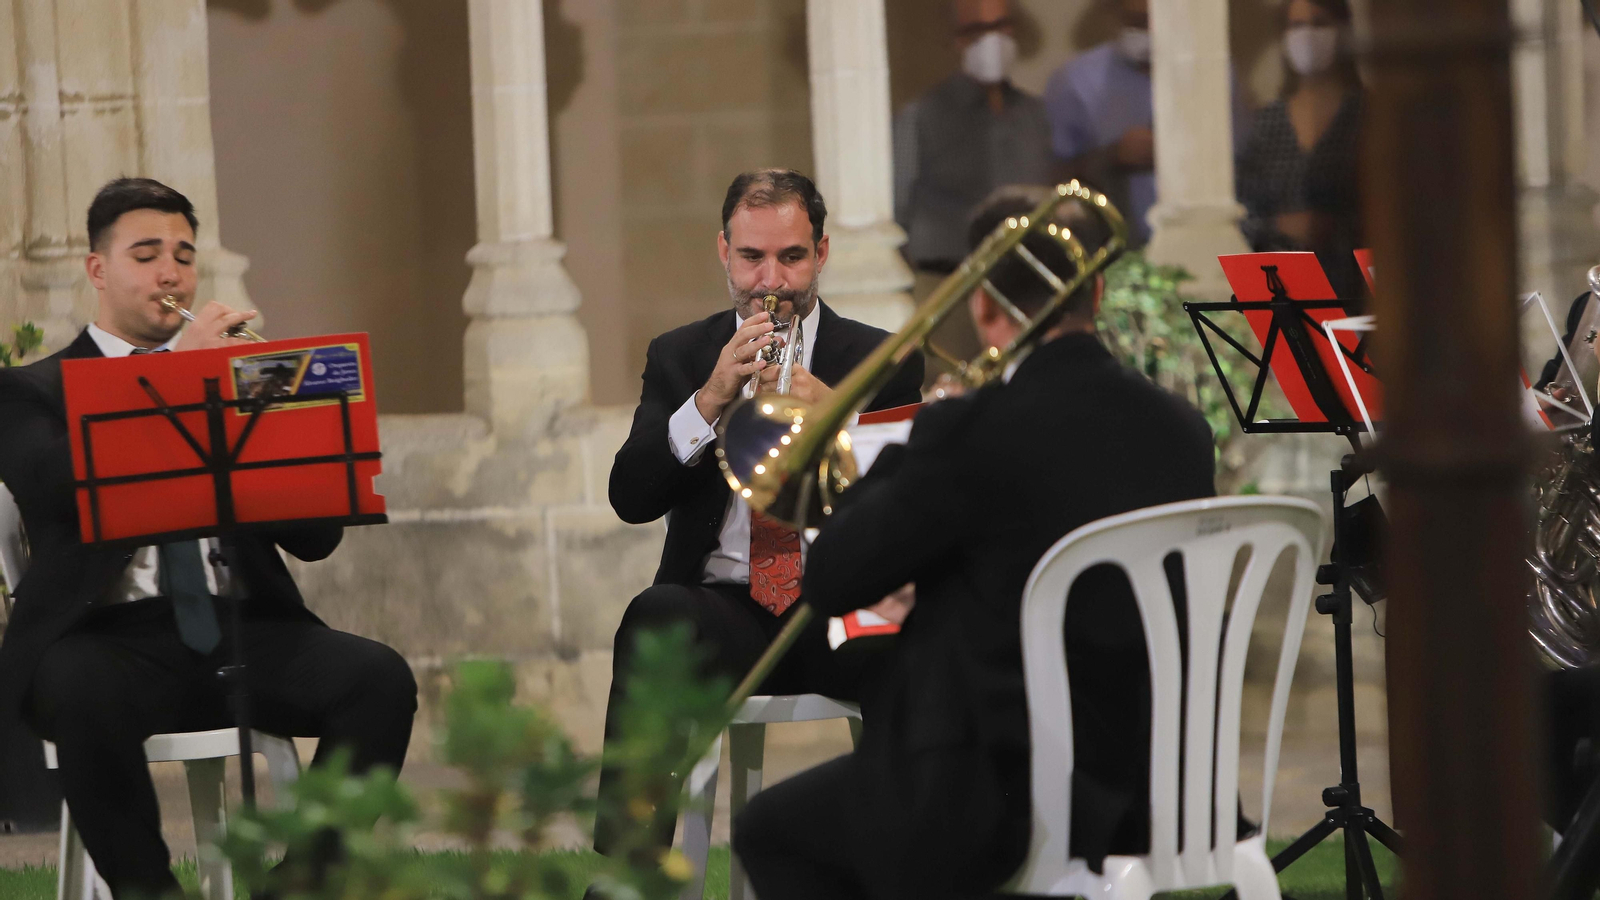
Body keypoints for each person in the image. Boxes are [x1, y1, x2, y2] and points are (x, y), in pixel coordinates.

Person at [731, 185, 1217, 900]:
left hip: (997, 797)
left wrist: (904, 451)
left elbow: (833, 579)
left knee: (770, 828)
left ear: (984, 307)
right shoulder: (1182, 429)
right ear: (1099, 291)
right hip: (1158, 781)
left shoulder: (968, 432)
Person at [0, 178, 418, 900]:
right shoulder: (33, 390)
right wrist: (181, 374)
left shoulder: (237, 382)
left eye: (185, 256)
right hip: (103, 639)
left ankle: (303, 886)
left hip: (240, 628)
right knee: (76, 682)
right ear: (99, 270)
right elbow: (48, 484)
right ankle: (149, 890)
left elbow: (315, 540)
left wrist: (290, 418)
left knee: (378, 680)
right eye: (147, 253)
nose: (171, 273)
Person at [597, 169, 924, 864]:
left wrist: (837, 419)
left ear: (823, 253)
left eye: (792, 257)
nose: (770, 280)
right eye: (752, 258)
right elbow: (629, 497)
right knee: (655, 615)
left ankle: (916, 865)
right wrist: (709, 399)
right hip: (725, 612)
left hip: (836, 611)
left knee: (929, 637)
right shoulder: (681, 354)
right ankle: (633, 872)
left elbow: (915, 513)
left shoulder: (879, 359)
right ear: (723, 252)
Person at [1045, 0, 1251, 247]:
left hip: (1203, 245)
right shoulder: (1076, 81)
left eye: (1156, 20)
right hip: (1111, 253)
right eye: (1137, 22)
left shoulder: (1215, 72)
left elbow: (1246, 168)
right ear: (1115, 12)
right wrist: (1112, 156)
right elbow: (1052, 181)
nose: (1148, 30)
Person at [893, 0, 1053, 279]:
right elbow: (896, 209)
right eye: (977, 30)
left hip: (1029, 278)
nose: (992, 40)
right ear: (958, 39)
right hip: (947, 281)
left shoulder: (1035, 114)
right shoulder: (920, 118)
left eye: (1000, 26)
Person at [1236, 0, 1366, 302]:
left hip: (1358, 289)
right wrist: (1278, 226)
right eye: (1296, 26)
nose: (1307, 35)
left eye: (1319, 23)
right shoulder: (1266, 122)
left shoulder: (1370, 115)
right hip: (1284, 290)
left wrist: (1332, 225)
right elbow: (1241, 208)